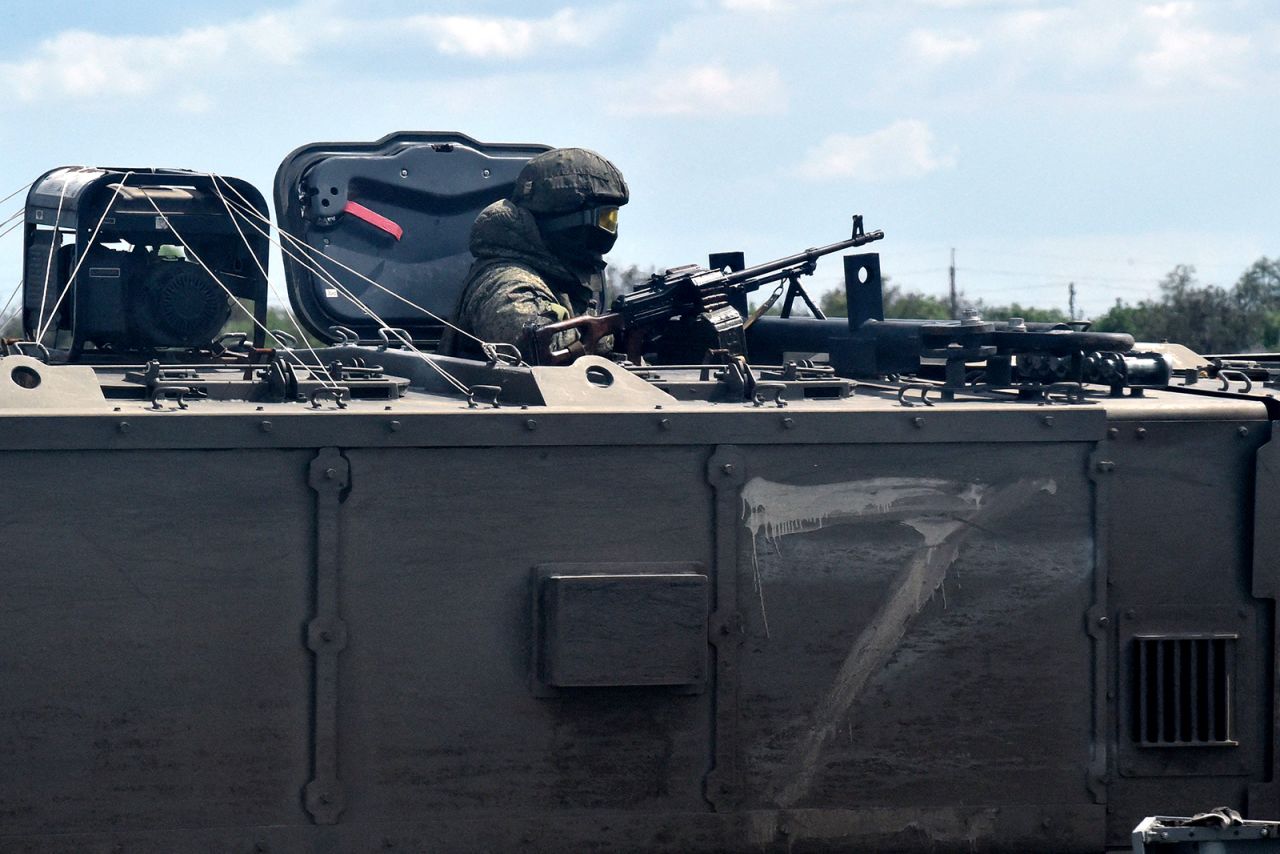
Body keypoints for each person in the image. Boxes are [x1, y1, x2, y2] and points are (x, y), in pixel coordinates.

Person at [455, 147, 628, 361]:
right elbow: (532, 347)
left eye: (613, 219)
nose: (610, 229)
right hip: (505, 393)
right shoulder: (506, 282)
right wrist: (613, 331)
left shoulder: (559, 278)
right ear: (567, 221)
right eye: (605, 219)